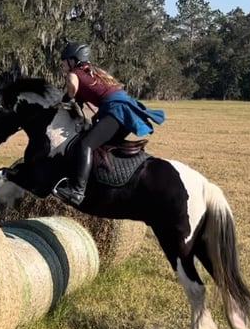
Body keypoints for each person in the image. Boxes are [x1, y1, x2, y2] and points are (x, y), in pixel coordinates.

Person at [53, 41, 166, 206]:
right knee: (102, 146)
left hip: (117, 111)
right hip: (125, 110)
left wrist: (67, 97)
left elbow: (72, 89)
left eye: (64, 60)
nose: (63, 64)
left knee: (86, 145)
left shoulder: (74, 74)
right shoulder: (94, 73)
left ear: (73, 60)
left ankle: (76, 191)